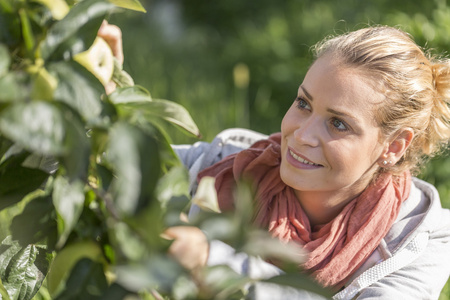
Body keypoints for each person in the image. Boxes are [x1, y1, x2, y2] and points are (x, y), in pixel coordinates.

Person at [100, 24, 450, 299]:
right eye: (303, 104)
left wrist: (211, 262)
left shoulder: (423, 238)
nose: (301, 134)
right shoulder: (219, 168)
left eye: (338, 123)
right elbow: (97, 170)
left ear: (394, 146)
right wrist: (97, 109)